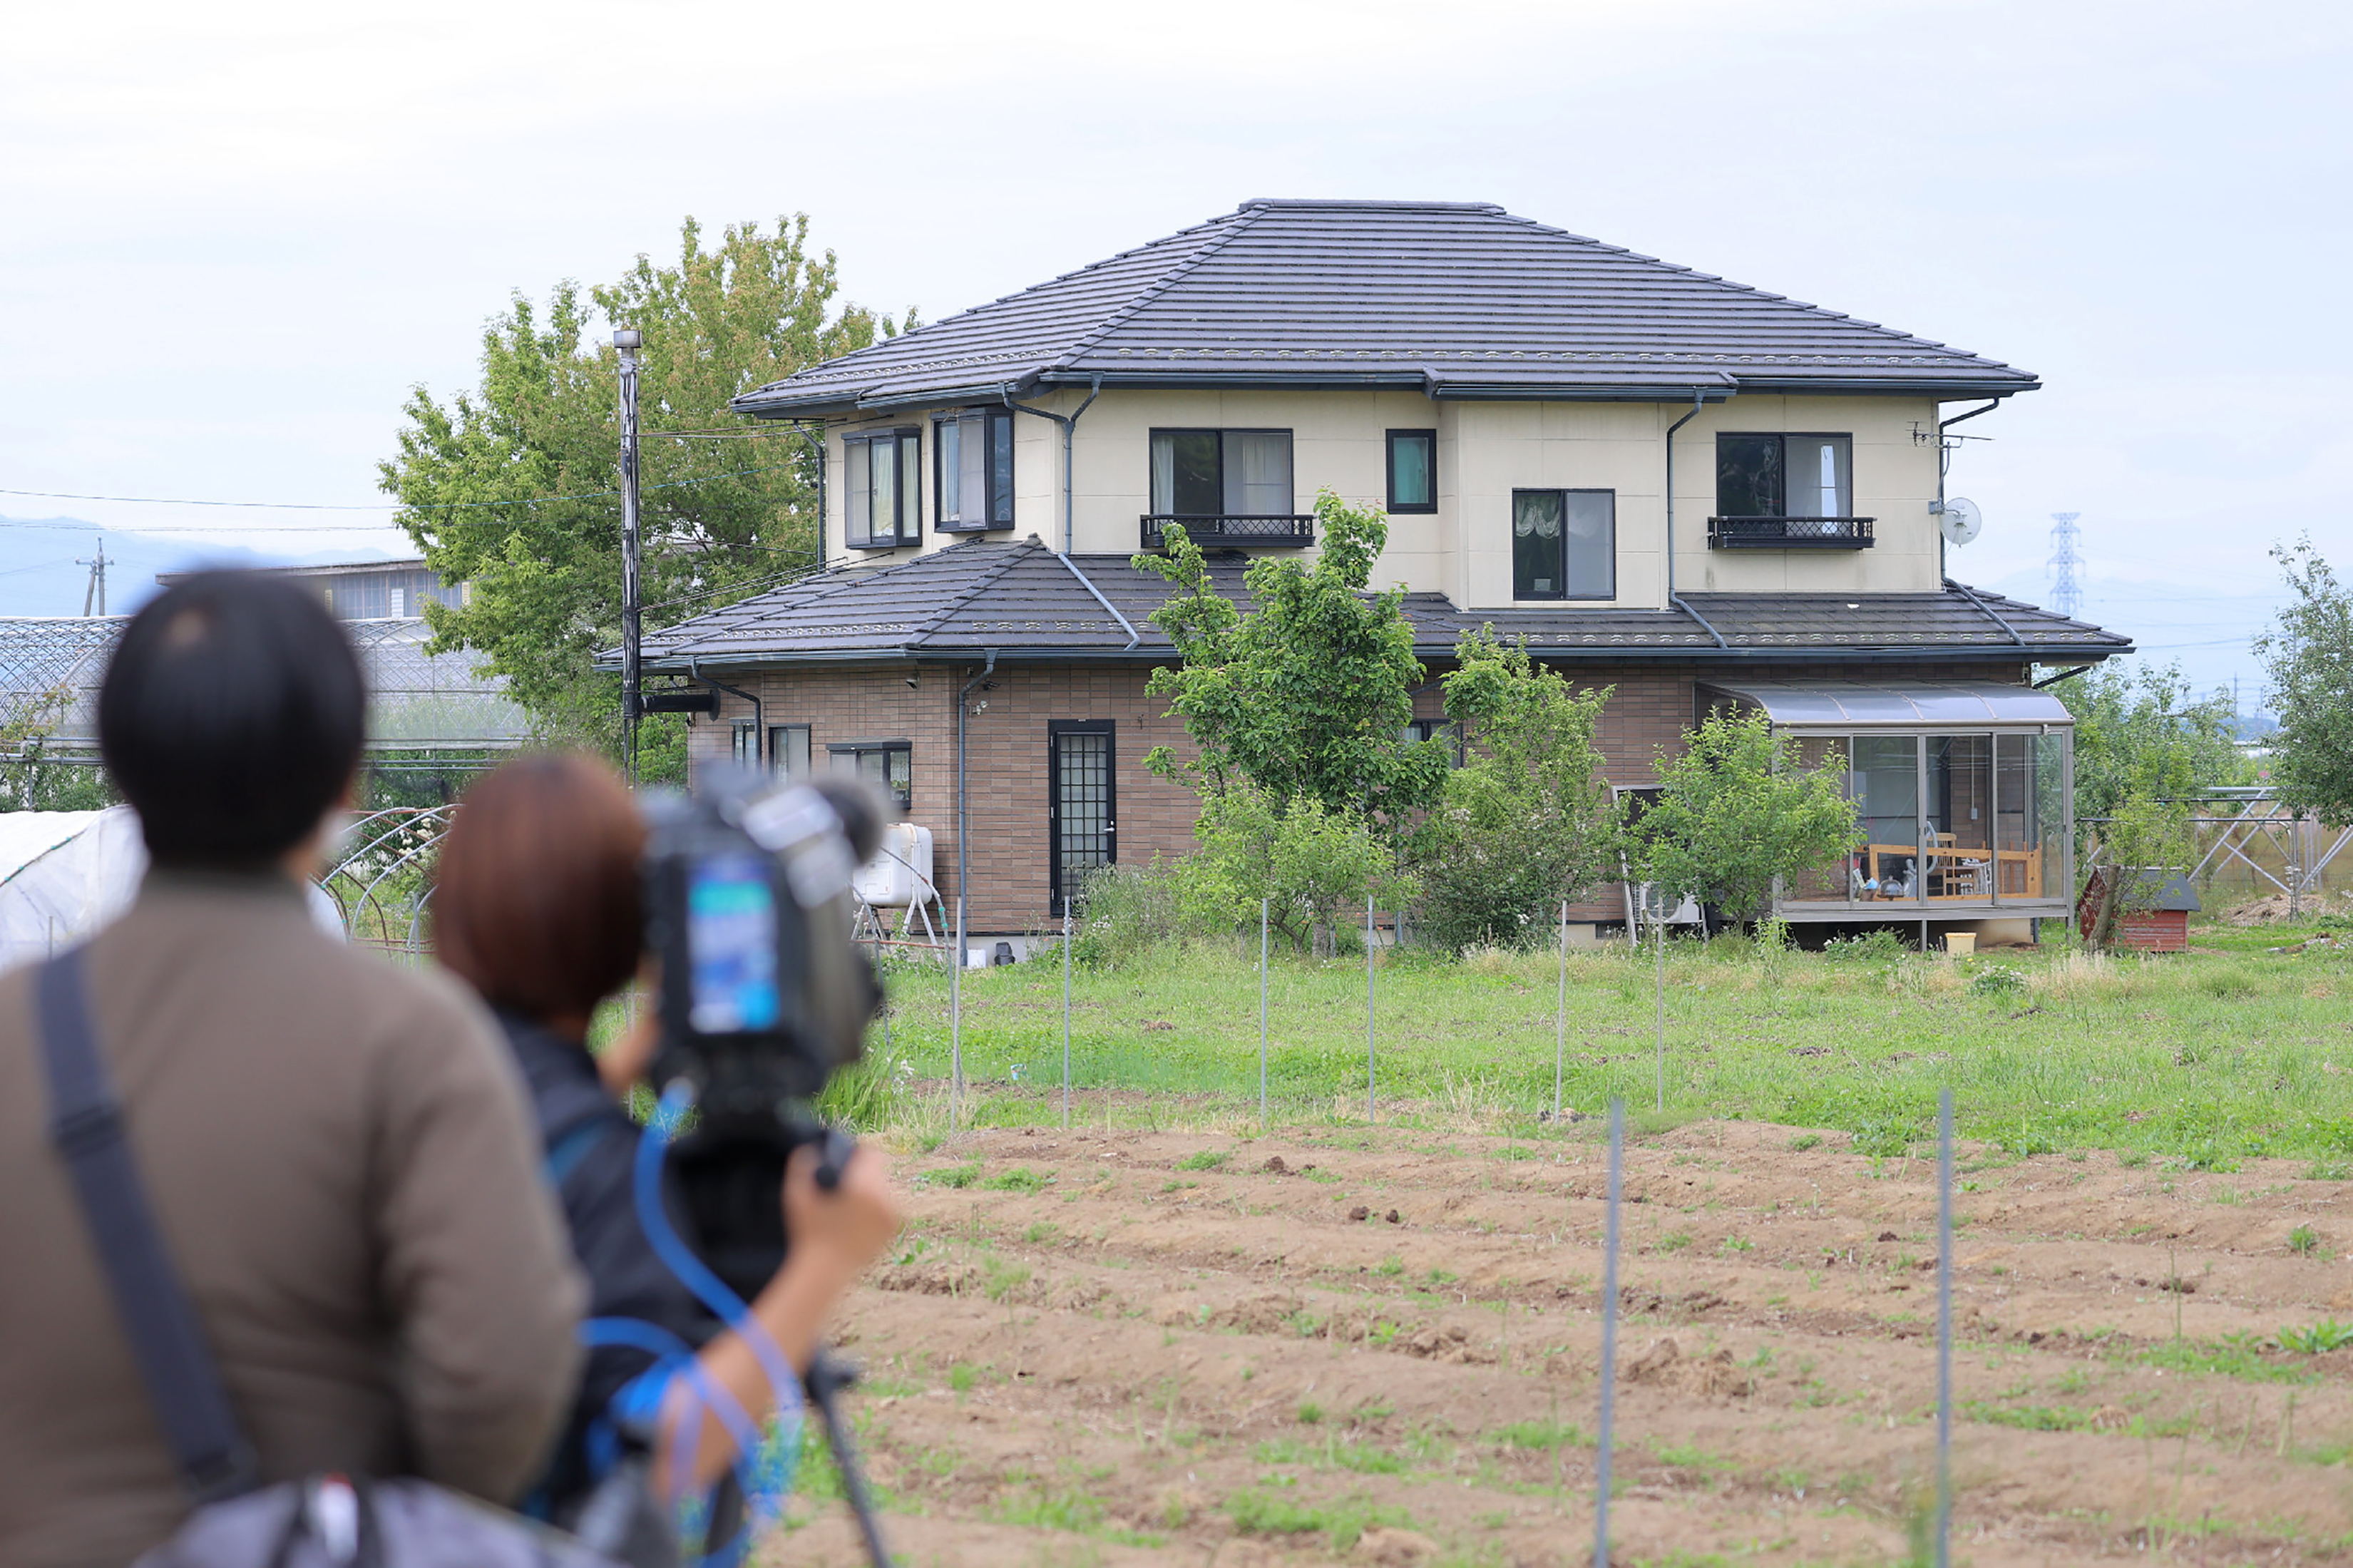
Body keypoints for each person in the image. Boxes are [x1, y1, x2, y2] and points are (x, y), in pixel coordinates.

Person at [0, 572, 586, 1568]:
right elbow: (499, 1384)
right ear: (347, 781)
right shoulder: (412, 1038)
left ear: (119, 760)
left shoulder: (17, 1027)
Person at [431, 751, 900, 1525]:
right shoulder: (607, 1174)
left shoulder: (429, 1080)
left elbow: (525, 1119)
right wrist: (825, 1262)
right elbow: (659, 1457)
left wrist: (637, 1051)